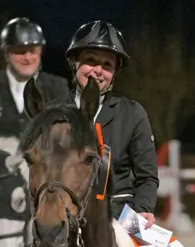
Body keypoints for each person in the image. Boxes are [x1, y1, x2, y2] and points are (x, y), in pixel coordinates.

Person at [65, 20, 159, 225]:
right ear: (74, 62)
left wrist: (142, 210)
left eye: (107, 65)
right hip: (63, 217)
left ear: (115, 72)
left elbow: (147, 178)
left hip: (119, 218)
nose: (98, 71)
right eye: (90, 60)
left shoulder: (132, 114)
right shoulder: (53, 112)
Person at [0, 17, 69, 160]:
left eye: (33, 51)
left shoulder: (58, 86)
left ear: (41, 51)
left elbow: (67, 136)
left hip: (44, 173)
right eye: (20, 51)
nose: (27, 57)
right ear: (6, 53)